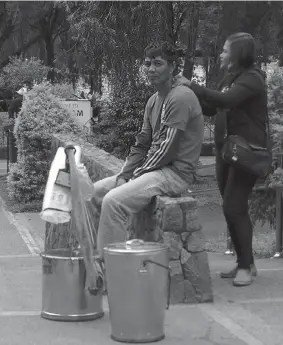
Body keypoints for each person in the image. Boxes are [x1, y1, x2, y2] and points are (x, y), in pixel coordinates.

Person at [88, 41, 204, 293]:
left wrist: (134, 177)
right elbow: (142, 144)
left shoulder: (180, 97)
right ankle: (95, 262)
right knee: (93, 193)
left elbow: (168, 149)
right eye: (148, 63)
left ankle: (114, 275)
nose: (151, 69)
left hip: (174, 173)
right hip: (154, 171)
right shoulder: (154, 100)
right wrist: (124, 175)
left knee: (113, 201)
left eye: (158, 63)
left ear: (173, 67)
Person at [174, 32, 267, 287]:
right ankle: (244, 262)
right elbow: (215, 107)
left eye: (226, 50)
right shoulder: (232, 78)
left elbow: (227, 100)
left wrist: (192, 85)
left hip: (247, 153)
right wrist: (188, 98)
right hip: (227, 152)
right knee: (232, 208)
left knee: (233, 207)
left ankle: (246, 266)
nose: (221, 54)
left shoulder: (252, 79)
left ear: (238, 54)